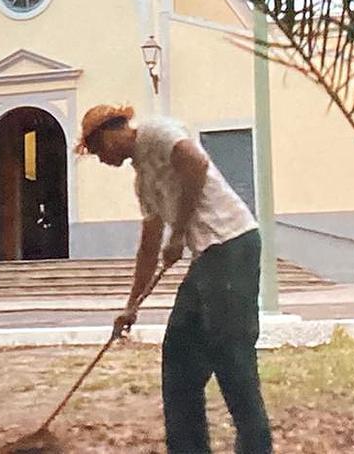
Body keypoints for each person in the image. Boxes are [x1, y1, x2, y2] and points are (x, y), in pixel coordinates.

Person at [75, 104, 272, 454]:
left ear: (110, 133)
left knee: (231, 354)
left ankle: (256, 447)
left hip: (233, 244)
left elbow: (195, 163)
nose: (101, 160)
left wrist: (179, 232)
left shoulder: (155, 132)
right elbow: (148, 247)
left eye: (97, 150)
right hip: (207, 257)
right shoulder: (143, 183)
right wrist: (130, 307)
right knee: (179, 354)